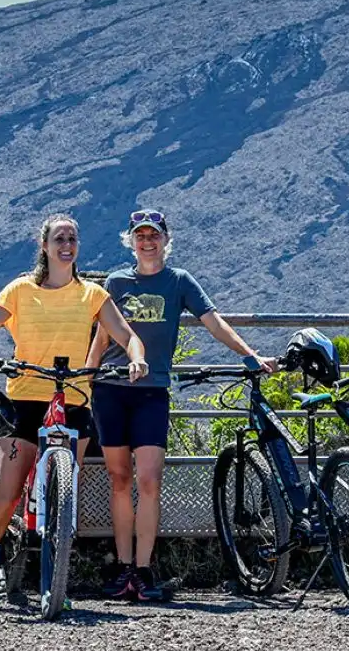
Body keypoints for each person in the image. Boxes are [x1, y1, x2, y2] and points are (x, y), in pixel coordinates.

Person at [89, 208, 273, 602]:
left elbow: (213, 321)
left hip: (152, 390)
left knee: (149, 480)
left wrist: (250, 355)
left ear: (166, 240)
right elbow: (103, 338)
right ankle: (122, 567)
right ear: (131, 241)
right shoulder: (116, 282)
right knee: (119, 479)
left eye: (154, 235)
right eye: (140, 235)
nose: (147, 241)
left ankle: (143, 569)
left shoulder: (179, 282)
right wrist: (86, 381)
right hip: (110, 388)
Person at [0, 213, 149, 608]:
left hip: (73, 399)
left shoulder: (92, 295)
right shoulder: (21, 289)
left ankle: (55, 581)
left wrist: (137, 358)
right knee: (9, 493)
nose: (67, 245)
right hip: (26, 398)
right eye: (59, 239)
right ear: (45, 246)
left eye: (72, 239)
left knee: (64, 500)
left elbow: (127, 335)